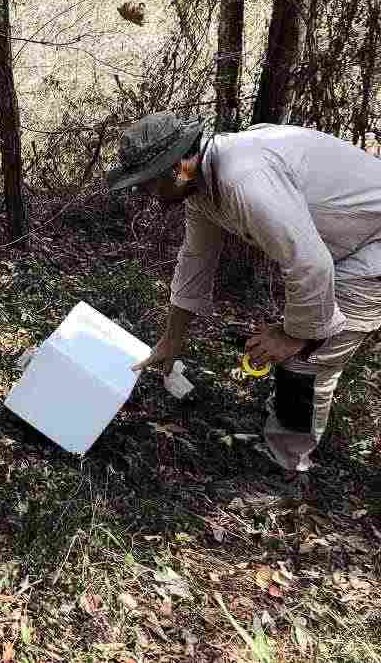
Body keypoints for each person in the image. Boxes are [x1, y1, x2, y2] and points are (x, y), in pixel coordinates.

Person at [105, 111, 381, 472]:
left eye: (146, 183)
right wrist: (172, 339)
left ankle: (286, 464)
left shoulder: (244, 179)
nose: (146, 193)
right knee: (302, 341)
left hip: (373, 246)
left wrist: (292, 334)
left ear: (173, 169)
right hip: (346, 245)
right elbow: (196, 259)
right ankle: (283, 435)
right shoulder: (198, 180)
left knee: (310, 359)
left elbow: (310, 266)